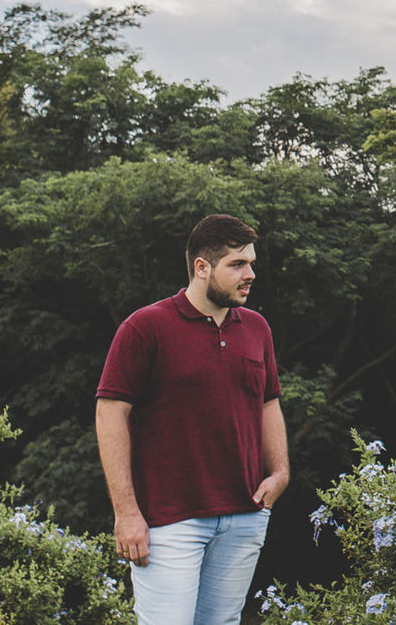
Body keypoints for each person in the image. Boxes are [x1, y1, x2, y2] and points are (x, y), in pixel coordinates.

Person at [96, 214, 290, 625]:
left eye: (251, 264)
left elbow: (268, 402)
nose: (250, 275)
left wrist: (280, 473)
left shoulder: (256, 328)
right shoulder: (145, 327)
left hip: (244, 514)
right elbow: (110, 413)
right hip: (169, 520)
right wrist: (126, 512)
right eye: (237, 265)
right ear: (202, 267)